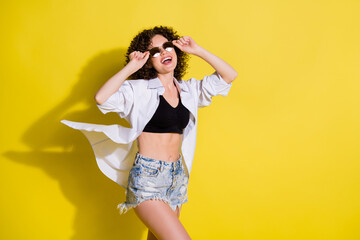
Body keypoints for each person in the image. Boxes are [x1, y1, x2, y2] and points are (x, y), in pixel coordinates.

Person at [61, 25, 237, 240]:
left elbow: (229, 75)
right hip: (148, 178)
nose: (163, 52)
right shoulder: (138, 90)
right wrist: (132, 67)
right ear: (148, 60)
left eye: (167, 46)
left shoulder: (188, 90)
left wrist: (198, 50)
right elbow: (102, 98)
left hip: (176, 179)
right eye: (154, 51)